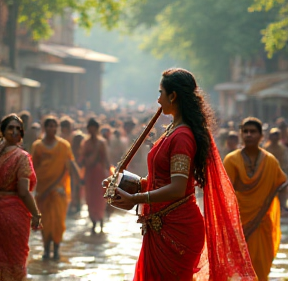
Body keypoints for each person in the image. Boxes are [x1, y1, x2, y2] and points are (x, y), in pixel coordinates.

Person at [106, 68, 257, 281]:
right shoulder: (171, 131)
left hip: (178, 230)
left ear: (173, 96)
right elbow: (161, 180)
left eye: (160, 93)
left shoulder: (182, 137)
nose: (158, 100)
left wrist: (136, 198)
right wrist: (126, 184)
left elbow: (177, 188)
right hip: (160, 226)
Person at [223, 117, 287, 281]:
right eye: (245, 131)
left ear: (261, 136)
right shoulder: (231, 160)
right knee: (239, 270)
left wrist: (284, 205)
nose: (249, 135)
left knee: (261, 267)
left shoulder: (270, 162)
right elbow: (225, 193)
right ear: (241, 134)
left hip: (262, 222)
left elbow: (281, 184)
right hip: (239, 223)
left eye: (253, 132)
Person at [0, 113, 42, 280]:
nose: (15, 132)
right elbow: (23, 191)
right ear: (2, 132)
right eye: (11, 128)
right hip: (13, 216)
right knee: (15, 262)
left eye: (18, 129)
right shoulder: (21, 157)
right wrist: (36, 213)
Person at [32, 116, 77, 260]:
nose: (52, 129)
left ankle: (56, 249)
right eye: (49, 126)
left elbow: (67, 167)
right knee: (44, 221)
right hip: (42, 190)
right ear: (44, 128)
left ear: (57, 128)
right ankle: (46, 249)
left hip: (59, 189)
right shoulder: (37, 146)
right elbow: (34, 168)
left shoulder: (64, 146)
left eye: (54, 126)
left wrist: (78, 182)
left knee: (58, 221)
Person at [80, 118, 110, 234]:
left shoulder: (102, 143)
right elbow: (82, 159)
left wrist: (110, 176)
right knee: (90, 199)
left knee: (101, 199)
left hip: (100, 175)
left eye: (94, 128)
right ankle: (93, 223)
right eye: (90, 129)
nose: (91, 131)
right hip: (89, 175)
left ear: (97, 129)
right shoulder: (85, 143)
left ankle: (101, 222)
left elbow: (106, 160)